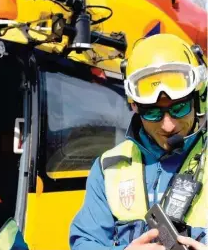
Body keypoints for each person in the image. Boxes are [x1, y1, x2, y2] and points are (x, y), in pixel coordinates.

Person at [69, 34, 208, 250]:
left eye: (179, 108)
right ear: (135, 107)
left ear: (199, 98)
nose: (168, 126)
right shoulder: (109, 167)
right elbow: (84, 242)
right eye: (153, 113)